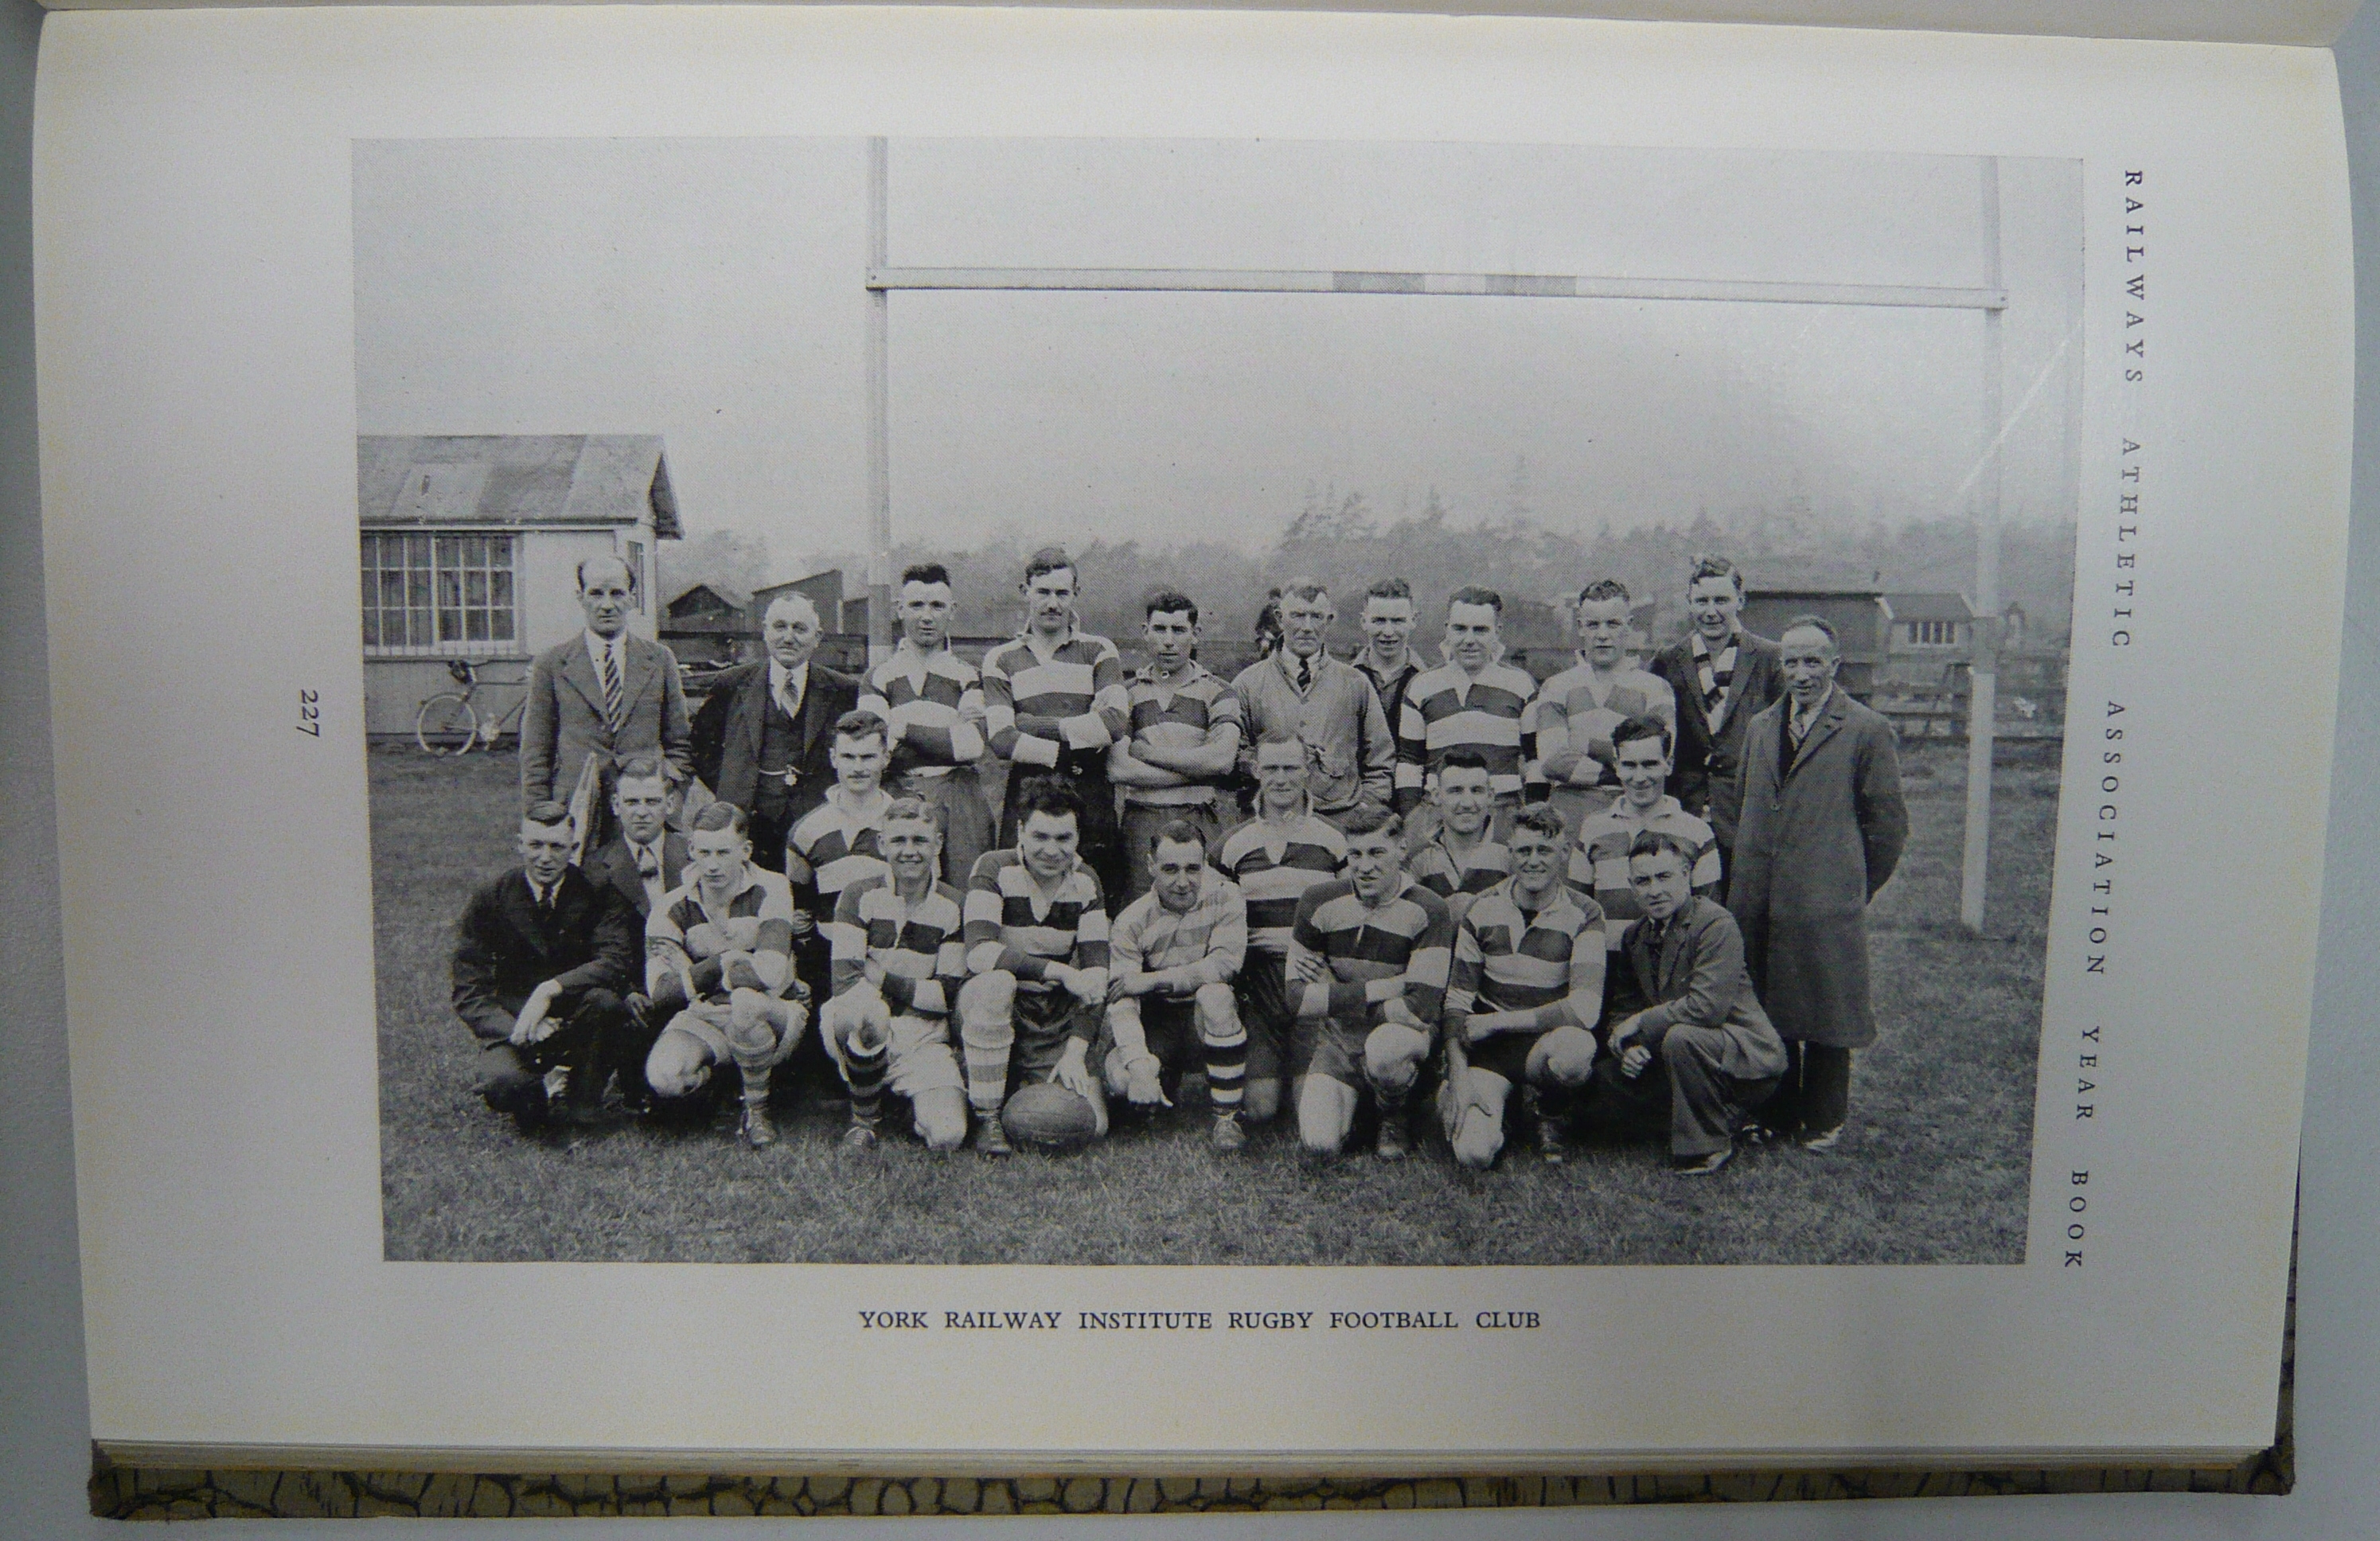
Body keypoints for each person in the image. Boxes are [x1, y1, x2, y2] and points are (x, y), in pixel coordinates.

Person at [1726, 615, 1909, 1152]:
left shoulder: (1865, 730)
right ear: (1780, 666)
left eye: (1813, 661)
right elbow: (1743, 805)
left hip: (1825, 897)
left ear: (1834, 665)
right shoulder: (1762, 727)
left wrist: (1851, 884)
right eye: (1792, 662)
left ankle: (1824, 1117)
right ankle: (1776, 1112)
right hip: (1761, 893)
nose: (1801, 673)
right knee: (1769, 1002)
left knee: (1828, 1006)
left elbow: (1888, 825)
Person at [1583, 830, 1786, 1176]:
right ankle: (1716, 1119)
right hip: (1679, 1059)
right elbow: (1624, 1006)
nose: (1655, 890)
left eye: (1664, 877)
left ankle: (1709, 1146)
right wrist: (1627, 1044)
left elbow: (1707, 1009)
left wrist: (1643, 1022)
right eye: (1643, 881)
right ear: (1632, 887)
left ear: (1687, 875)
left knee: (1682, 1037)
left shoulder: (1714, 923)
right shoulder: (1635, 935)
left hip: (1739, 1056)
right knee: (1600, 1083)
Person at [450, 801, 638, 1130]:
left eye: (556, 847)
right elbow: (469, 990)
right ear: (520, 844)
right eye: (535, 845)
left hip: (577, 1020)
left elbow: (615, 959)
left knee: (607, 1004)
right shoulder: (491, 897)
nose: (545, 857)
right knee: (504, 1085)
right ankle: (535, 1100)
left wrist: (551, 989)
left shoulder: (597, 891)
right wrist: (520, 1027)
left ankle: (583, 1102)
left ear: (574, 848)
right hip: (516, 1022)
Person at [1439, 806, 1604, 1168]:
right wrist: (1459, 1077)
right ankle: (1503, 1114)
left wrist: (1498, 1022)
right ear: (1509, 853)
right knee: (1474, 1154)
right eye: (1523, 851)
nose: (1533, 861)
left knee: (1577, 1049)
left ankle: (1550, 1109)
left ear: (1563, 854)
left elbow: (1585, 1010)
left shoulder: (1586, 912)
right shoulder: (1482, 907)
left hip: (1540, 1047)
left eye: (1544, 851)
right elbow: (1456, 1002)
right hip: (1489, 1054)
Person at [954, 778, 1114, 1154]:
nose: (1052, 850)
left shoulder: (1087, 880)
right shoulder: (993, 867)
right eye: (1040, 836)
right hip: (993, 1005)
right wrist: (1060, 971)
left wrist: (1076, 1051)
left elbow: (1097, 976)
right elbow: (979, 953)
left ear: (1077, 838)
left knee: (1094, 1125)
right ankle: (987, 1117)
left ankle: (1023, 1082)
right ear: (1020, 831)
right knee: (998, 983)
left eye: (1064, 839)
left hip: (1048, 1016)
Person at [639, 801, 810, 1149]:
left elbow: (772, 974)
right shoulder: (670, 906)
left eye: (723, 852)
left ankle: (757, 1111)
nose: (713, 865)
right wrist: (724, 962)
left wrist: (694, 972)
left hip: (773, 1012)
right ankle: (722, 1087)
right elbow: (661, 992)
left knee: (747, 1003)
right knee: (665, 1078)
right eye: (704, 852)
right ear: (691, 850)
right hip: (706, 1015)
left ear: (745, 850)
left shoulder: (773, 887)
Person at [1286, 806, 1453, 1161]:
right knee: (1319, 1145)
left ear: (1402, 849)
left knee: (1387, 1050)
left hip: (1398, 1037)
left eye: (1377, 853)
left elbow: (1420, 1007)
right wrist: (1391, 986)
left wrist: (1332, 990)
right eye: (1355, 855)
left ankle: (1395, 1112)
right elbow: (1297, 1000)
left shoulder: (1430, 908)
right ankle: (1364, 1108)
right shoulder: (1317, 901)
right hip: (1339, 1042)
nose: (1364, 867)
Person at [1211, 731, 1350, 1132]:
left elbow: (1349, 915)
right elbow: (1219, 921)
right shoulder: (1232, 844)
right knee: (1260, 1109)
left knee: (1309, 1110)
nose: (1281, 778)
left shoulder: (1333, 841)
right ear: (1256, 771)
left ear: (1307, 772)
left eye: (1291, 767)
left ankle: (1313, 1070)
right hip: (1258, 983)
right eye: (1271, 768)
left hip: (1310, 978)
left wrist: (1328, 969)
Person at [817, 794, 971, 1153]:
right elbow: (846, 981)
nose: (910, 851)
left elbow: (943, 998)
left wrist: (881, 976)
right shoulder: (858, 895)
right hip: (861, 1020)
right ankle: (864, 1122)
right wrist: (884, 994)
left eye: (920, 840)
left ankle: (903, 1102)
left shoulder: (954, 905)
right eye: (899, 840)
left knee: (948, 1136)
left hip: (923, 1035)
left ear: (938, 844)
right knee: (868, 1012)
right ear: (883, 844)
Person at [980, 548, 1132, 903]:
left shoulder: (1100, 651)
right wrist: (1079, 734)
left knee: (1093, 897)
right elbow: (1002, 739)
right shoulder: (1000, 658)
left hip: (1090, 793)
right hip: (1028, 791)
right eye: (1043, 592)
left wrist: (1034, 725)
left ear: (1075, 594)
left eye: (1062, 593)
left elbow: (1114, 723)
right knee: (1020, 898)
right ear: (1025, 591)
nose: (1052, 603)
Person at [517, 554, 691, 837]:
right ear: (580, 597)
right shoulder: (552, 663)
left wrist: (666, 786)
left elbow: (680, 742)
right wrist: (540, 817)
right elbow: (536, 750)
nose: (607, 605)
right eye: (596, 594)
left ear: (632, 598)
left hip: (643, 810)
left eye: (617, 593)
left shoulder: (659, 659)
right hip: (577, 808)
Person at [1103, 820, 1251, 1149]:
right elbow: (1122, 1000)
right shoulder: (1131, 920)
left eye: (1192, 869)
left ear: (1206, 866)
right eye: (1170, 869)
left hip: (1206, 1018)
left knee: (1216, 994)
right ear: (1150, 865)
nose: (1183, 882)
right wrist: (1140, 1067)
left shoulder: (1227, 896)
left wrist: (1153, 979)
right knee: (1121, 1078)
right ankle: (1159, 1080)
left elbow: (1225, 965)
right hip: (1160, 1023)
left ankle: (1227, 1119)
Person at [690, 591, 862, 872]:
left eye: (799, 628)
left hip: (815, 822)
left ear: (817, 638)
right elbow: (701, 747)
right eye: (780, 627)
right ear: (765, 632)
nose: (789, 637)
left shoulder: (842, 690)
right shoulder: (732, 684)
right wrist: (734, 783)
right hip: (750, 822)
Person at [1647, 555, 1785, 888]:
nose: (1711, 611)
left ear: (1741, 600)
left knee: (1744, 908)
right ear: (1689, 604)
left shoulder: (1769, 658)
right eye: (1702, 601)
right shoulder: (1668, 660)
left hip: (1746, 810)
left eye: (1721, 600)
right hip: (1685, 806)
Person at [860, 562, 997, 887]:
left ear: (952, 610)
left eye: (937, 606)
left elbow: (970, 746)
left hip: (960, 798)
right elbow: (878, 750)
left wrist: (902, 727)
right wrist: (945, 735)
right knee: (897, 889)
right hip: (897, 793)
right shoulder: (879, 676)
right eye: (916, 605)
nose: (926, 616)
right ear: (900, 610)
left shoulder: (968, 674)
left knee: (966, 888)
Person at [1107, 588, 1243, 904]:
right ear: (1146, 632)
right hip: (1141, 823)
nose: (1168, 640)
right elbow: (1118, 768)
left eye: (1179, 630)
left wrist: (1149, 753)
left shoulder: (1219, 692)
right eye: (1160, 629)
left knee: (1203, 911)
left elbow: (1222, 760)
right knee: (1140, 915)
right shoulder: (1125, 694)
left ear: (1195, 634)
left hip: (1199, 818)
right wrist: (1197, 771)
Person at [1231, 578, 1395, 829]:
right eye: (1297, 616)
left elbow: (1381, 759)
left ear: (1328, 620)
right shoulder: (1247, 684)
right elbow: (1233, 755)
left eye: (1316, 617)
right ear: (1278, 618)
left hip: (1340, 822)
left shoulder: (1355, 683)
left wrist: (1365, 810)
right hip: (1270, 826)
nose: (1307, 627)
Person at [1527, 579, 1677, 837]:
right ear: (1580, 627)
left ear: (1629, 626)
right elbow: (1553, 761)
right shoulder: (1556, 687)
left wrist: (1582, 753)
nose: (1603, 634)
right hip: (1569, 822)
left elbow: (1659, 760)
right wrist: (1625, 769)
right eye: (1593, 624)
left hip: (1634, 821)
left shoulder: (1656, 689)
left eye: (1613, 624)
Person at [1567, 716, 1721, 964]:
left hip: (1672, 971)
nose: (1639, 778)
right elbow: (1575, 911)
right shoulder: (1593, 829)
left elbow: (1709, 920)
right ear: (1617, 765)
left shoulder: (1697, 832)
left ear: (1668, 765)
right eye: (1630, 765)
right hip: (1608, 968)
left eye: (1650, 765)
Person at [1395, 585, 1539, 840]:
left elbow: (1535, 761)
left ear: (1497, 632)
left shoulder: (1522, 685)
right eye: (1460, 629)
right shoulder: (1422, 686)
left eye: (1480, 630)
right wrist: (1412, 820)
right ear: (1447, 630)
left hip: (1503, 816)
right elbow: (1409, 763)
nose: (1469, 640)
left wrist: (1533, 819)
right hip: (1437, 817)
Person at [784, 709, 897, 1017]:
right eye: (849, 757)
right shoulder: (808, 831)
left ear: (886, 758)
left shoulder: (904, 825)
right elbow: (800, 910)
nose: (858, 768)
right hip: (829, 965)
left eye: (868, 757)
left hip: (892, 963)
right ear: (834, 758)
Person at [1403, 748, 1511, 927]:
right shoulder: (1419, 859)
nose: (1467, 803)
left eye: (1477, 791)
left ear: (1491, 796)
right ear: (1437, 796)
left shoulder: (1508, 855)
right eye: (1456, 791)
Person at [581, 754, 688, 922]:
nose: (642, 813)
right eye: (632, 802)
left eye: (652, 802)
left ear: (669, 804)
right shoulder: (595, 867)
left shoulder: (692, 855)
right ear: (616, 805)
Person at [1352, 577, 1424, 751]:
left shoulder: (1429, 682)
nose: (1388, 632)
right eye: (1379, 621)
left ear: (1413, 620)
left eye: (1398, 621)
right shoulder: (1345, 680)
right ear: (1364, 622)